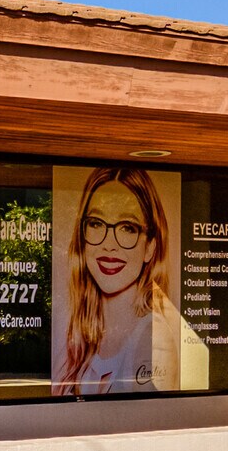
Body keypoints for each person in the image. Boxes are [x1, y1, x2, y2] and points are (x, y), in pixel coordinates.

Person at [55, 166, 177, 394]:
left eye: (127, 228)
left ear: (150, 247)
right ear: (82, 237)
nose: (109, 244)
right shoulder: (80, 339)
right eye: (96, 223)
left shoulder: (152, 338)